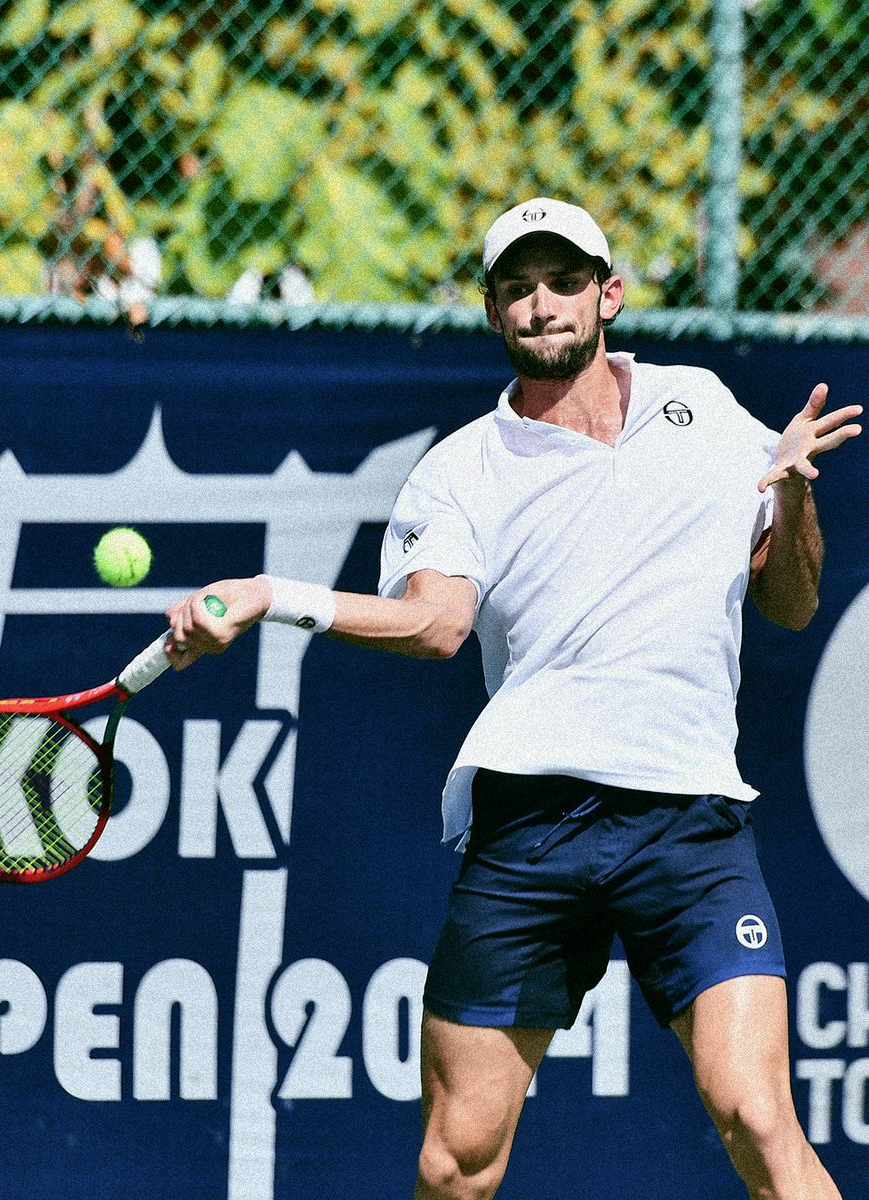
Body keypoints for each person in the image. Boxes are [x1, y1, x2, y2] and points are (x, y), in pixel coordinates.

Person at [164, 198, 862, 1199]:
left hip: (691, 826)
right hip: (532, 826)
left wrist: (791, 495)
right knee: (457, 1165)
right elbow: (436, 624)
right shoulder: (461, 472)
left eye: (565, 280)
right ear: (494, 313)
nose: (544, 304)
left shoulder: (704, 409)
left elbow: (790, 603)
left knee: (760, 1117)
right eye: (518, 288)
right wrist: (275, 597)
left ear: (608, 293)